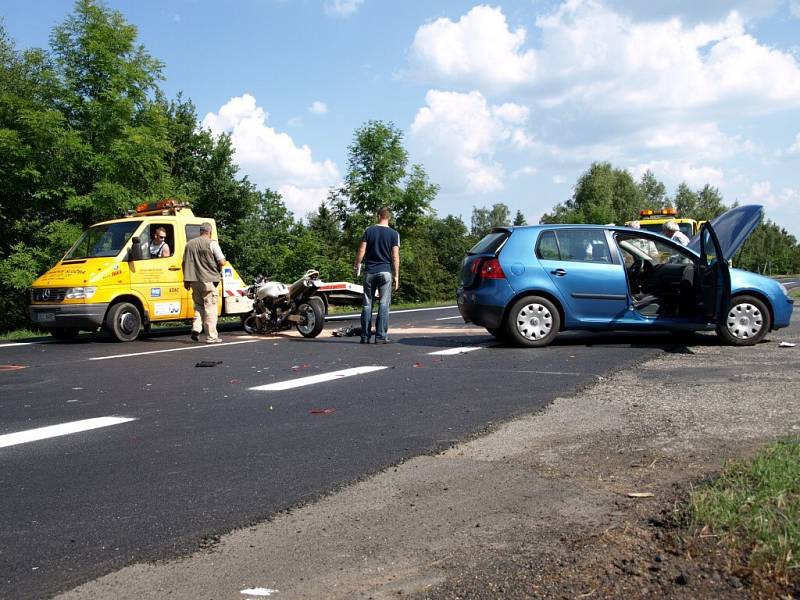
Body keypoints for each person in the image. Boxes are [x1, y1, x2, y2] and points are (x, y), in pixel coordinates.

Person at [354, 207, 400, 344]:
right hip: (385, 272)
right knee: (384, 304)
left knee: (367, 304)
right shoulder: (394, 234)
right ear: (389, 218)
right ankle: (380, 336)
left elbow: (362, 250)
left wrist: (357, 265)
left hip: (370, 272)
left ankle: (365, 336)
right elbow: (395, 256)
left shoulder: (369, 230)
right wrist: (396, 275)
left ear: (378, 216)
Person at [182, 222, 226, 343]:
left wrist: (186, 280)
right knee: (210, 309)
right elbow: (221, 262)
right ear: (210, 232)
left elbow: (184, 263)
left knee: (199, 306)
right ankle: (212, 337)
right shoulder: (212, 243)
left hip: (194, 281)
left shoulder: (189, 244)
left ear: (200, 231)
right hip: (208, 280)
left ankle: (196, 328)